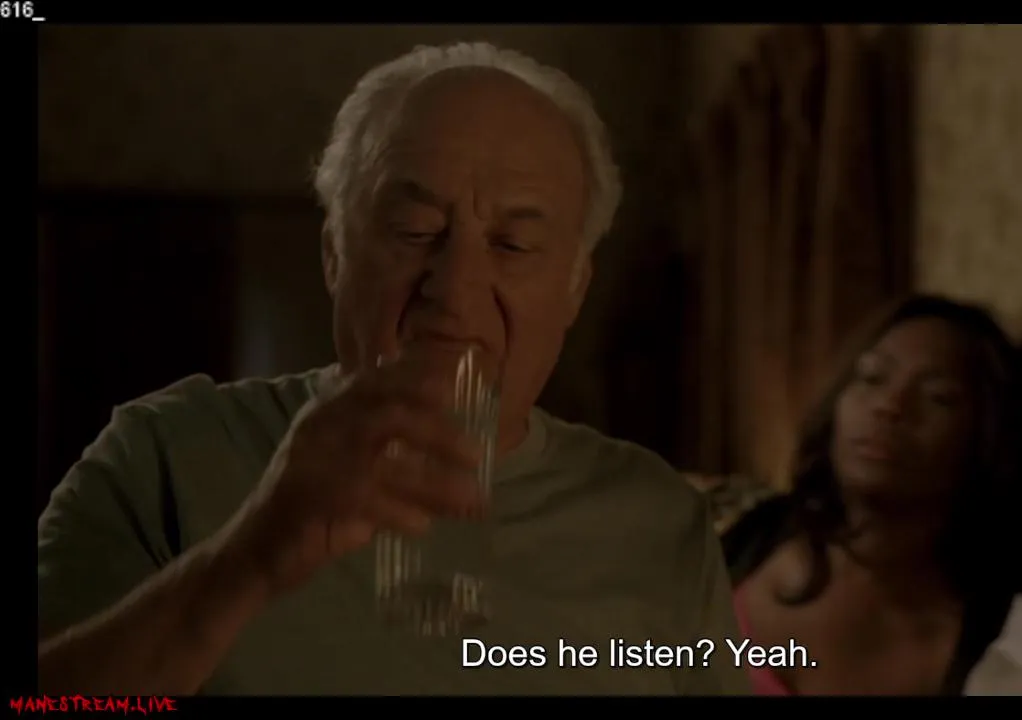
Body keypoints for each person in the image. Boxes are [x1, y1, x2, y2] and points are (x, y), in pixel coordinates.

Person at [36, 42, 751, 696]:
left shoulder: (658, 525)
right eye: (415, 231)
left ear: (574, 288)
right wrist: (246, 563)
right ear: (334, 256)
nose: (456, 288)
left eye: (513, 244)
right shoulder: (165, 458)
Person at [721, 295, 1022, 695]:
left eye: (937, 396)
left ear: (985, 439)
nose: (890, 406)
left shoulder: (999, 647)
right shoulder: (751, 539)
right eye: (873, 378)